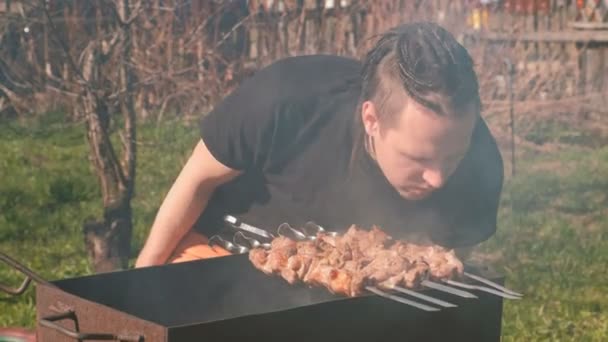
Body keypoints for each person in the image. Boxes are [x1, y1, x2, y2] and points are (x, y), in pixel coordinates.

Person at [135, 21, 504, 268]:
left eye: (453, 156)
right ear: (371, 119)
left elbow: (442, 270)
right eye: (418, 158)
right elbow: (197, 180)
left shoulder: (479, 164)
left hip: (349, 301)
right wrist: (140, 289)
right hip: (218, 253)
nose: (438, 178)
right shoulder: (286, 100)